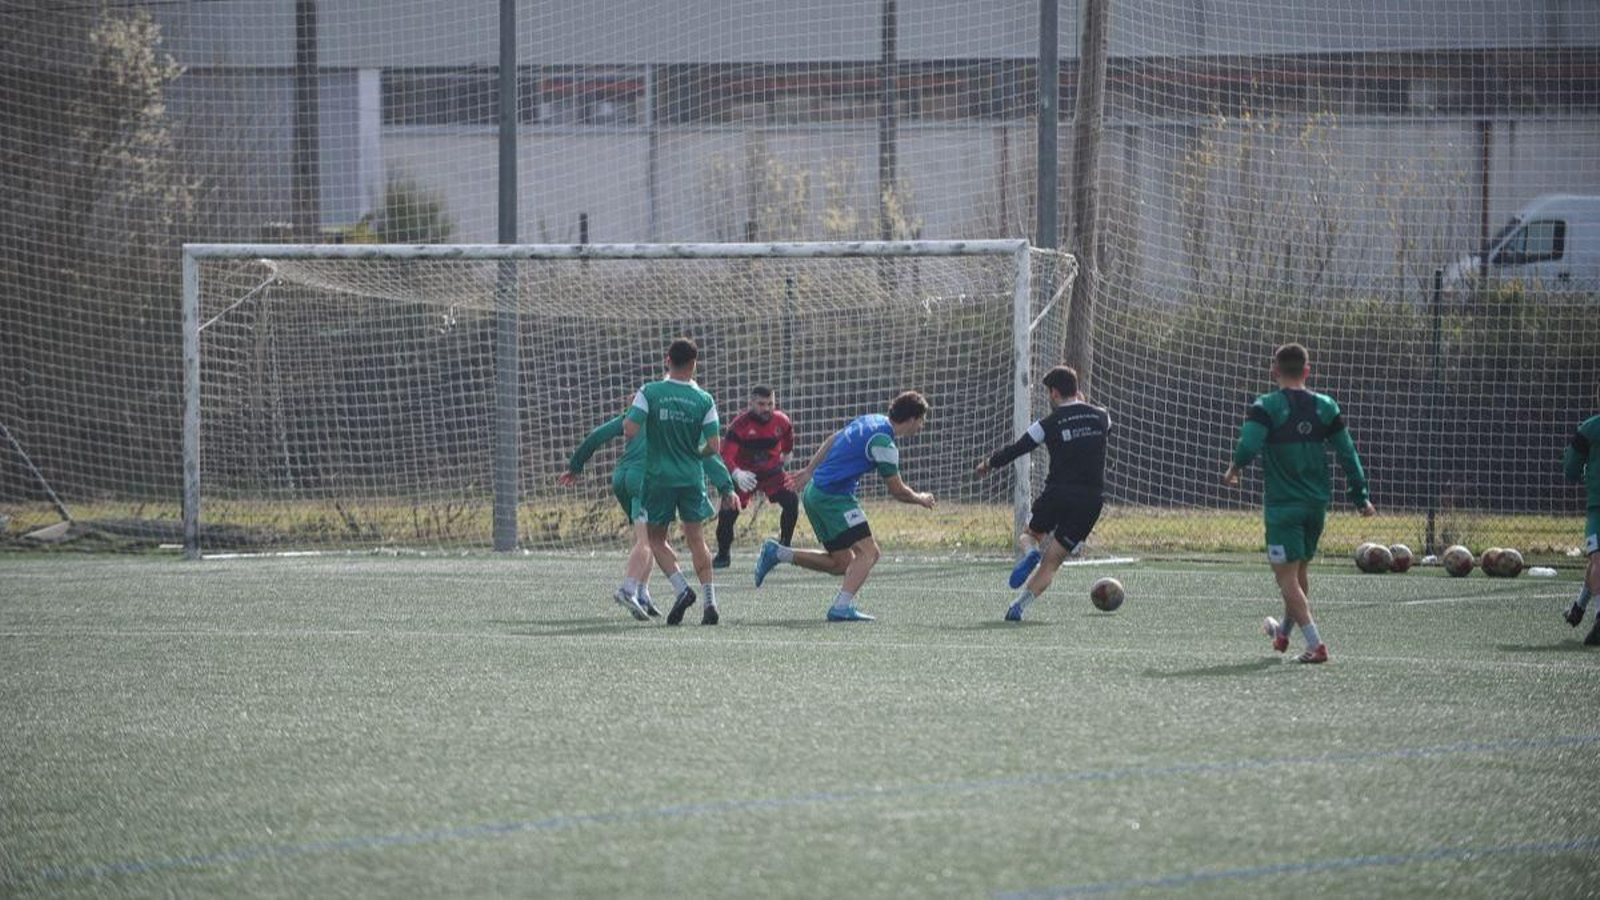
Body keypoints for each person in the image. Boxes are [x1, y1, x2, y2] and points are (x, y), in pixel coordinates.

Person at [1223, 343, 1374, 664]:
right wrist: (1360, 496)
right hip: (1316, 504)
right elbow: (1348, 453)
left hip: (1283, 507)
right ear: (1307, 371)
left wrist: (1235, 468)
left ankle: (1315, 644)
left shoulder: (1265, 406)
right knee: (1299, 571)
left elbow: (1248, 445)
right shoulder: (1326, 406)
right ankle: (1284, 635)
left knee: (1286, 577)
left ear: (1274, 369)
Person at [752, 391, 935, 622]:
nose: (922, 426)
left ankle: (778, 553)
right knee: (870, 552)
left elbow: (833, 439)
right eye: (921, 420)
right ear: (911, 419)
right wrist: (921, 498)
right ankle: (841, 607)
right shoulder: (884, 444)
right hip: (832, 498)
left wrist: (810, 470)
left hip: (815, 492)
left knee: (841, 563)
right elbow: (897, 491)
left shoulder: (872, 419)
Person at [560, 409, 739, 622]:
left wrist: (575, 466)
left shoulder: (640, 413)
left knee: (651, 538)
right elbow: (708, 452)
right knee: (653, 540)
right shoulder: (687, 411)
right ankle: (631, 588)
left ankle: (645, 592)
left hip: (624, 478)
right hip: (660, 479)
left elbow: (597, 435)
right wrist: (726, 486)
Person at [975, 365, 1110, 622]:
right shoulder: (1103, 417)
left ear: (1054, 393)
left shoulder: (1048, 424)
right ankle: (1019, 606)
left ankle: (1030, 552)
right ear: (1077, 390)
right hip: (1091, 501)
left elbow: (1017, 449)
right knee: (1053, 562)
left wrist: (988, 464)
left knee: (1029, 535)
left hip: (1058, 493)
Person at [623, 338, 724, 625]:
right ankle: (709, 603)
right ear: (694, 364)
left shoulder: (651, 391)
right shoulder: (704, 399)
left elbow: (630, 429)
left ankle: (681, 590)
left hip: (659, 479)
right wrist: (695, 451)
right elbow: (714, 445)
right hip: (691, 477)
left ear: (667, 359)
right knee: (696, 539)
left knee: (655, 538)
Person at [714, 385, 799, 568]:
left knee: (791, 500)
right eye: (761, 404)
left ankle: (784, 548)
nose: (766, 408)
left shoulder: (782, 421)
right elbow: (726, 455)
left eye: (770, 404)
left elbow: (788, 442)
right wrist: (737, 473)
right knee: (728, 510)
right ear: (751, 403)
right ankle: (723, 554)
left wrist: (786, 455)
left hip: (771, 473)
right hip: (746, 476)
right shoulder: (739, 425)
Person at [1561, 401, 1600, 645]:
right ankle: (1579, 608)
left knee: (1598, 560)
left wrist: (1580, 474)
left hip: (1598, 505)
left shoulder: (1590, 429)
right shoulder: (1590, 430)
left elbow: (1570, 468)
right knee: (1596, 560)